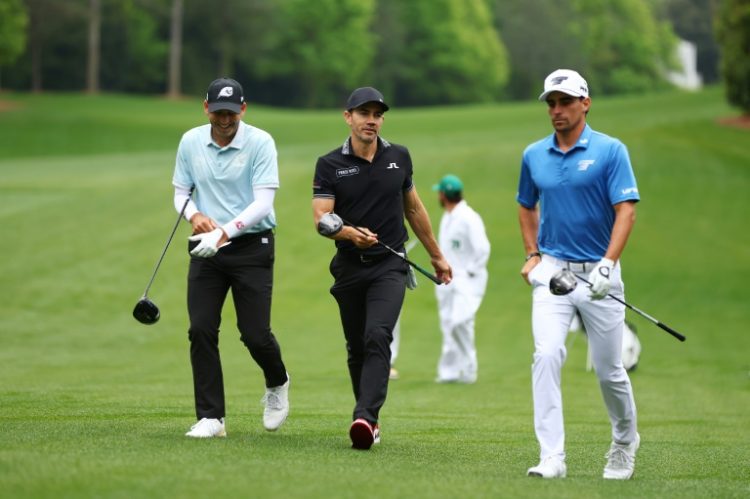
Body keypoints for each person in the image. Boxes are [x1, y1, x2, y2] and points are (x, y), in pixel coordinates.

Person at [517, 69, 641, 479]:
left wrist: (608, 263)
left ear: (584, 103)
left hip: (600, 274)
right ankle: (552, 456)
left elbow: (626, 210)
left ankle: (624, 442)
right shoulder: (534, 154)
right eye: (551, 103)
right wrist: (532, 253)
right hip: (553, 273)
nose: (556, 110)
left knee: (609, 371)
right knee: (546, 355)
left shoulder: (610, 151)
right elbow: (526, 204)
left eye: (565, 102)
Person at [312, 86, 452, 449]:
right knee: (357, 347)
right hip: (348, 265)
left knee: (378, 335)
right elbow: (321, 218)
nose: (371, 121)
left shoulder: (399, 157)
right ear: (348, 117)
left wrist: (436, 255)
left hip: (390, 264)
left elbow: (415, 209)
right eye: (363, 113)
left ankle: (365, 417)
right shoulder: (330, 165)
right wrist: (349, 233)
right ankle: (367, 416)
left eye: (377, 114)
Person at [172, 77, 290, 438]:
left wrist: (224, 230)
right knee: (201, 329)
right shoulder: (191, 141)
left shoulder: (260, 142)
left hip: (252, 246)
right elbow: (180, 193)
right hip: (206, 246)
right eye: (219, 112)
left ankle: (277, 381)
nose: (226, 120)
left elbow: (263, 203)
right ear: (206, 108)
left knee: (254, 334)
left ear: (244, 109)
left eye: (232, 113)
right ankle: (212, 417)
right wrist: (194, 215)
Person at [432, 174, 491, 384]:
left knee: (461, 322)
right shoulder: (448, 216)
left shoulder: (468, 217)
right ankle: (449, 371)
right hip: (447, 279)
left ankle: (469, 368)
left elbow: (483, 249)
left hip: (467, 278)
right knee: (448, 323)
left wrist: (470, 272)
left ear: (444, 195)